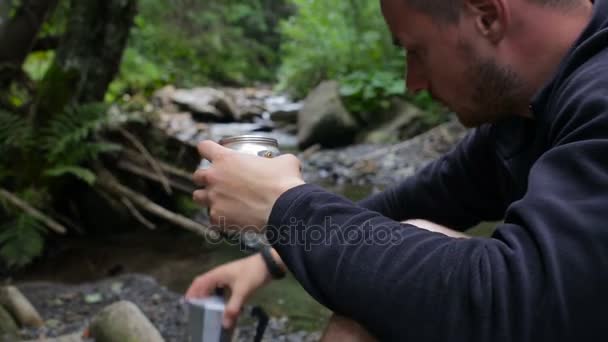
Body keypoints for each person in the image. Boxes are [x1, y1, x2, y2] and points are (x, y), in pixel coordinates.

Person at [186, 0, 608, 340]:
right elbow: (424, 197)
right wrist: (268, 261)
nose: (412, 82)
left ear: (487, 16)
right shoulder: (526, 110)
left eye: (415, 51)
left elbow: (517, 303)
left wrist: (281, 205)